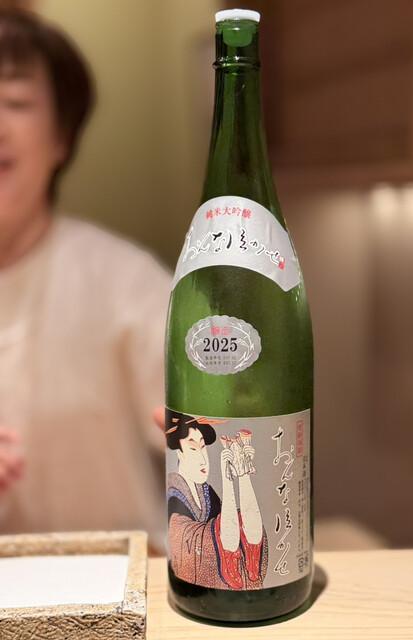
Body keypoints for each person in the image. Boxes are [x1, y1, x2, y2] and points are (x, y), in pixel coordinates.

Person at [0, 9, 171, 552]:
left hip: (121, 586)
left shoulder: (122, 279)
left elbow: (212, 425)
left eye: (15, 101)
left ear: (61, 138)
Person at [166, 411, 267, 590]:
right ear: (179, 454)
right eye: (193, 449)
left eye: (203, 447)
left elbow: (241, 529)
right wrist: (227, 478)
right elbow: (224, 539)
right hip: (196, 589)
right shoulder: (176, 498)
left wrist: (242, 474)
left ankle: (242, 469)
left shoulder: (207, 493)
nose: (203, 459)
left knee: (244, 521)